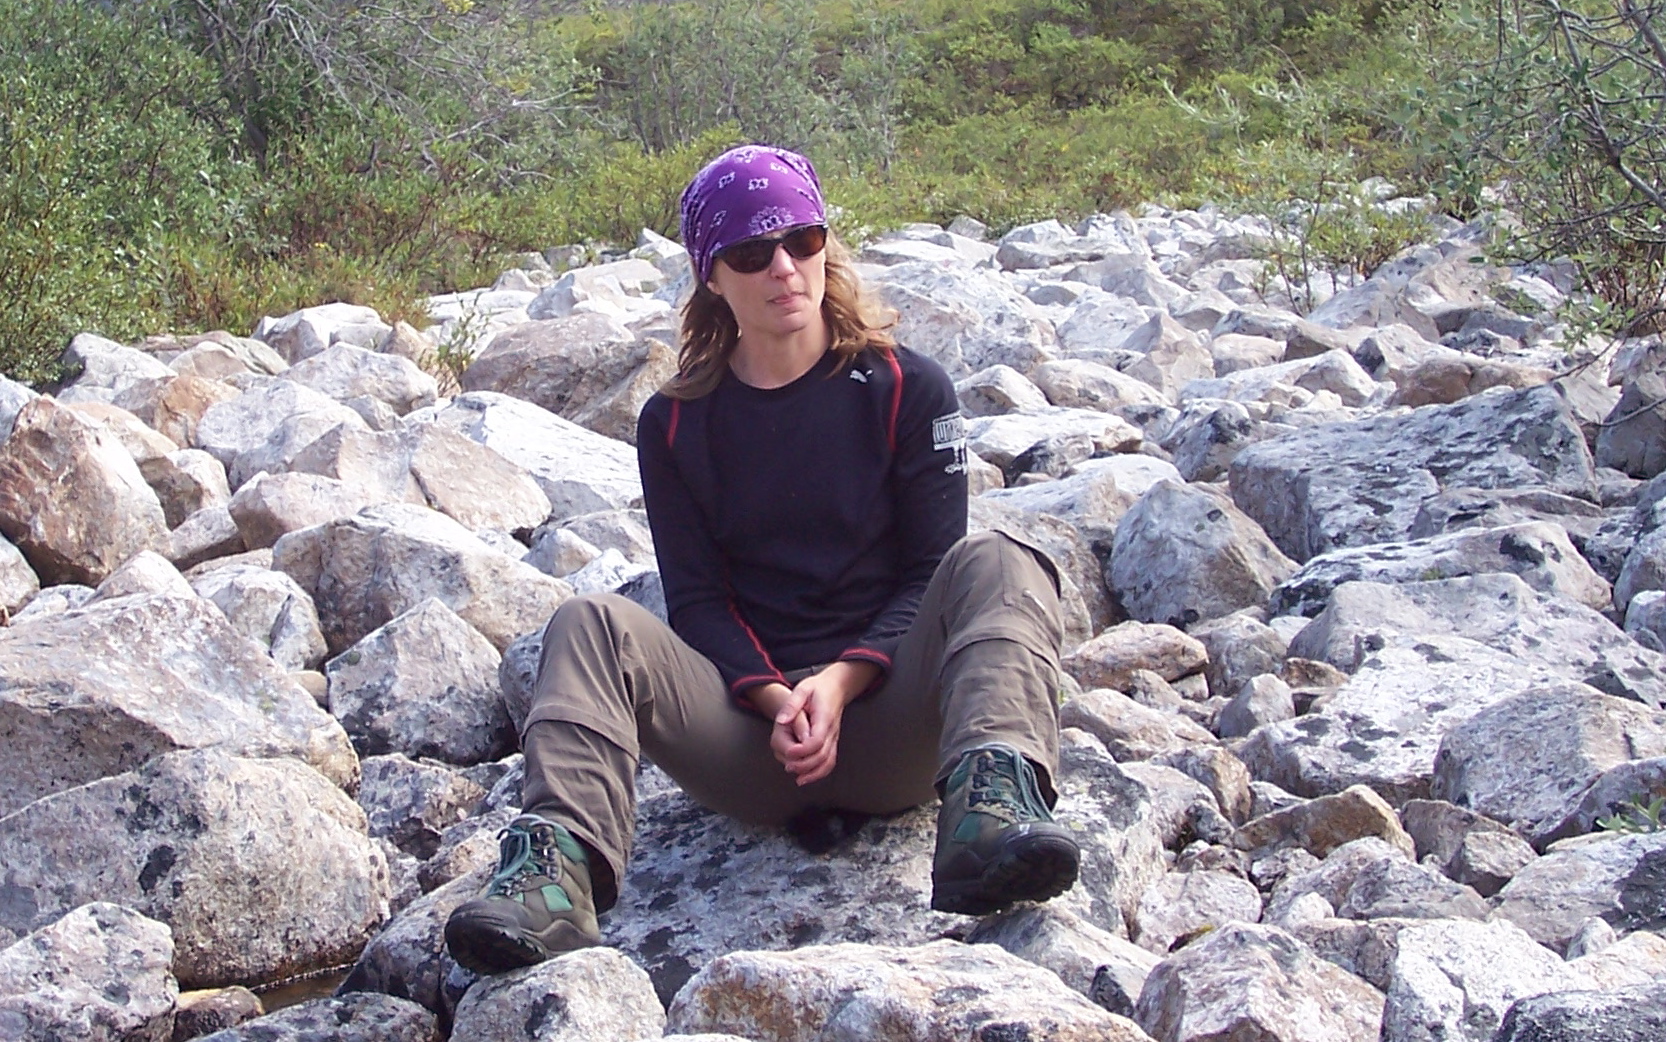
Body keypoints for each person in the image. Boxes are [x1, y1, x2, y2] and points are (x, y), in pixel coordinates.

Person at [444, 144, 1078, 974]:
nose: (785, 268)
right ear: (713, 275)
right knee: (590, 621)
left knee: (1000, 560)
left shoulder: (907, 388)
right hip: (751, 744)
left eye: (804, 241)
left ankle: (990, 810)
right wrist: (780, 699)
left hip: (894, 731)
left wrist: (841, 682)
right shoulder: (675, 425)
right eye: (752, 252)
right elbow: (700, 603)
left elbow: (931, 575)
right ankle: (554, 878)